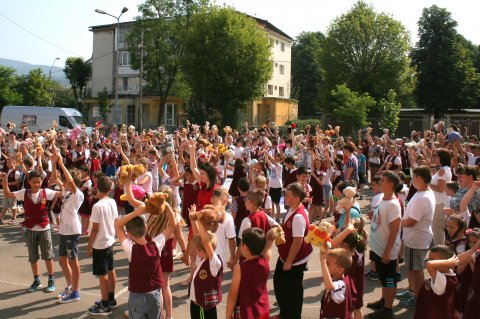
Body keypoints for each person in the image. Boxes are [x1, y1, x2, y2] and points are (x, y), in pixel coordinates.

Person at [115, 191, 177, 319]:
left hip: (137, 295)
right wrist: (166, 205)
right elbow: (173, 225)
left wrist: (137, 212)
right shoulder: (156, 244)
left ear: (130, 235)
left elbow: (118, 226)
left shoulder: (131, 249)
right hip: (154, 294)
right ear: (146, 228)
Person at [2, 169, 63, 293]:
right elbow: (8, 194)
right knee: (33, 256)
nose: (37, 184)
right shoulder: (24, 192)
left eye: (39, 182)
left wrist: (59, 181)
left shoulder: (46, 191)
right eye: (34, 182)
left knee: (48, 255)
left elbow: (62, 193)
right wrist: (4, 181)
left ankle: (51, 279)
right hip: (30, 228)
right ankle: (37, 280)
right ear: (29, 182)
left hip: (44, 227)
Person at [396, 166, 435, 309]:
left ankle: (418, 297)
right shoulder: (423, 193)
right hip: (414, 237)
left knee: (416, 269)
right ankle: (412, 291)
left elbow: (412, 221)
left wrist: (396, 223)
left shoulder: (422, 197)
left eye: (413, 177)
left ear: (419, 178)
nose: (411, 180)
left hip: (416, 238)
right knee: (411, 267)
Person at [273, 182, 312, 319]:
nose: (285, 197)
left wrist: (289, 261)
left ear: (296, 198)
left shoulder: (298, 216)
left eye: (288, 195)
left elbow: (297, 242)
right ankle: (285, 313)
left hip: (294, 260)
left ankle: (292, 315)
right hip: (287, 257)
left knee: (292, 291)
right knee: (279, 284)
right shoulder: (292, 209)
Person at [367, 171, 401, 319]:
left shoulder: (393, 204)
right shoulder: (383, 199)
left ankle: (388, 310)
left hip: (386, 251)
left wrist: (387, 252)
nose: (379, 182)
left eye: (382, 180)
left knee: (389, 280)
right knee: (383, 278)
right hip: (378, 248)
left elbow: (394, 231)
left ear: (391, 185)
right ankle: (383, 300)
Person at [51, 154, 85, 303]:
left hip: (72, 231)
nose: (62, 183)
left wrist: (61, 162)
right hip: (64, 231)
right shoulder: (66, 192)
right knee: (62, 260)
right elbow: (54, 177)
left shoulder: (78, 194)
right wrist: (54, 163)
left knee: (73, 260)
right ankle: (70, 286)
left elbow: (69, 180)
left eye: (64, 182)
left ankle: (75, 292)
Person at [414, 244, 480, 319]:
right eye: (429, 259)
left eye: (433, 260)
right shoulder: (447, 272)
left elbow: (429, 265)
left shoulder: (441, 280)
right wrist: (474, 248)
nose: (429, 261)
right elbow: (458, 259)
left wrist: (448, 262)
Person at [226, 227, 276, 319]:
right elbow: (269, 243)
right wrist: (272, 234)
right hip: (262, 309)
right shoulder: (265, 260)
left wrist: (228, 315)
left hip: (246, 311)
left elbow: (232, 295)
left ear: (245, 247)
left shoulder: (239, 268)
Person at [87, 176, 118, 316]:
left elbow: (94, 229)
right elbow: (116, 220)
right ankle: (111, 299)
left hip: (100, 244)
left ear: (97, 188)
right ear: (110, 189)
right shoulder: (112, 201)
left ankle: (105, 304)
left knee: (102, 274)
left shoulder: (97, 206)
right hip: (110, 241)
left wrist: (89, 245)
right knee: (111, 270)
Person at [188, 205, 223, 319]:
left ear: (204, 250)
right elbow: (199, 236)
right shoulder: (203, 258)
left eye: (198, 250)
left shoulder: (214, 262)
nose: (197, 251)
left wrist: (198, 219)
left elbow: (205, 241)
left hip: (204, 306)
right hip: (196, 304)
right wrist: (193, 218)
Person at [319, 248, 353, 319]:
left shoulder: (341, 284)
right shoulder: (340, 278)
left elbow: (330, 287)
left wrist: (322, 261)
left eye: (328, 264)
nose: (325, 265)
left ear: (340, 270)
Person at [430, 149, 452, 245]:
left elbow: (440, 189)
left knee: (437, 228)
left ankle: (440, 253)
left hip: (440, 203)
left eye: (436, 156)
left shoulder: (443, 170)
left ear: (441, 158)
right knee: (437, 229)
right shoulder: (444, 169)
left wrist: (427, 183)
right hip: (440, 202)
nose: (434, 157)